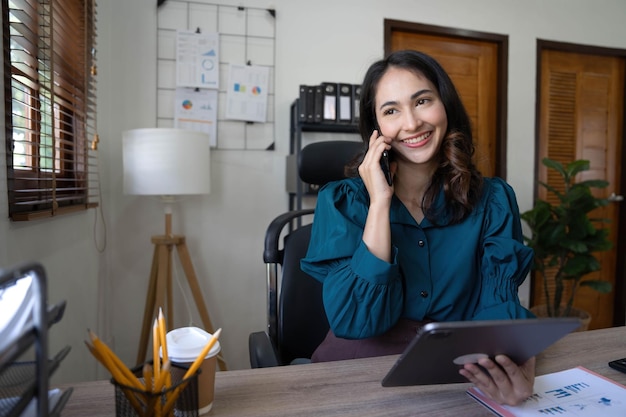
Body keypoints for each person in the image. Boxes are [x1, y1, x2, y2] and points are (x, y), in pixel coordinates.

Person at [300, 50, 535, 406]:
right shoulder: (343, 202)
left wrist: (514, 365)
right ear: (376, 128)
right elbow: (357, 322)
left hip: (450, 377)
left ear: (445, 106)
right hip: (355, 377)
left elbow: (497, 308)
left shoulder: (494, 200)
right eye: (391, 110)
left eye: (422, 101)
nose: (411, 124)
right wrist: (379, 203)